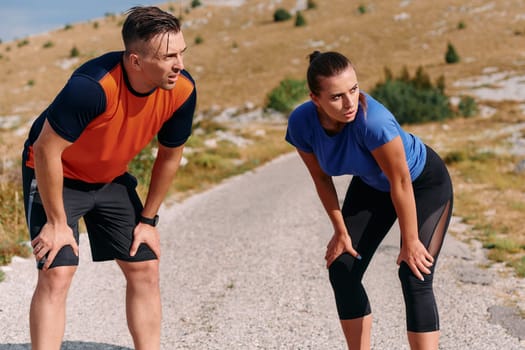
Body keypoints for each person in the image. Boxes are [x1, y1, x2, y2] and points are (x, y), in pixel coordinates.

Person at [21, 6, 196, 350]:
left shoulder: (182, 90)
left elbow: (170, 154)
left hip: (111, 178)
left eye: (182, 53)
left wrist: (148, 220)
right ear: (135, 61)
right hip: (58, 176)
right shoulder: (92, 87)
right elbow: (45, 151)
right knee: (57, 269)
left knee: (144, 265)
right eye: (168, 56)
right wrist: (57, 222)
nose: (180, 64)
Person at [286, 51, 453, 350]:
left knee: (414, 273)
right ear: (315, 98)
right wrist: (340, 231)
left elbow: (401, 181)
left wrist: (411, 241)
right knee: (342, 268)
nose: (350, 103)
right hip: (373, 186)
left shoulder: (373, 121)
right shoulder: (301, 124)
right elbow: (321, 178)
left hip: (421, 183)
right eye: (337, 96)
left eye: (354, 89)